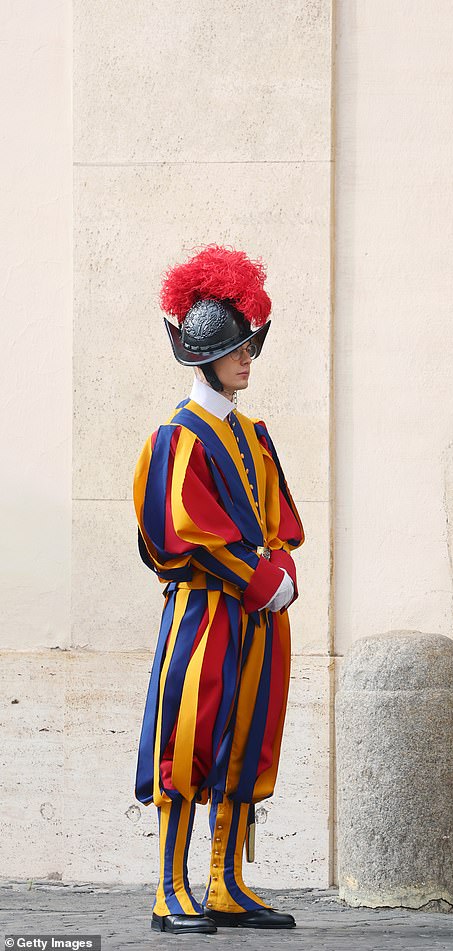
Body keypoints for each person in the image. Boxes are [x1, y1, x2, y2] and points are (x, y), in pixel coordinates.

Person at [133, 244, 304, 935]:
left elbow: (279, 520)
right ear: (203, 355)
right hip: (206, 617)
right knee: (189, 739)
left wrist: (283, 569)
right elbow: (184, 530)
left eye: (249, 346)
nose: (247, 359)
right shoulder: (177, 437)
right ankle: (171, 888)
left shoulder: (252, 433)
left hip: (260, 619)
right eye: (236, 349)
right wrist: (261, 580)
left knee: (246, 742)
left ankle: (226, 882)